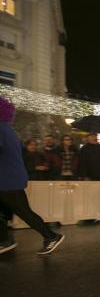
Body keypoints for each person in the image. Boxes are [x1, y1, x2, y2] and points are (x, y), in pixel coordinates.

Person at [0, 95, 64, 255]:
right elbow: (23, 150)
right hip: (10, 177)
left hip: (7, 180)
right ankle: (4, 240)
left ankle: (51, 236)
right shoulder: (7, 129)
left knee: (24, 212)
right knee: (14, 211)